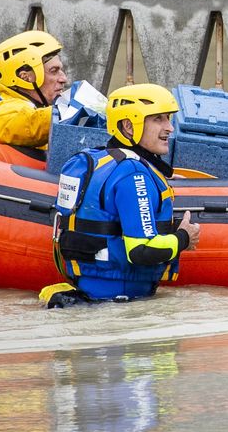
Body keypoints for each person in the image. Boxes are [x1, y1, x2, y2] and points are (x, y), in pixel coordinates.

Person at [39, 83, 200, 308]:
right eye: (158, 119)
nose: (169, 128)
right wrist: (184, 237)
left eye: (168, 119)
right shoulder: (134, 175)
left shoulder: (97, 161)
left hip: (91, 293)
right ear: (128, 125)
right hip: (121, 302)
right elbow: (141, 250)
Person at [0, 30, 71, 151]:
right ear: (25, 77)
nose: (63, 78)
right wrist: (66, 110)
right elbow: (29, 124)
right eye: (54, 71)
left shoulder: (33, 107)